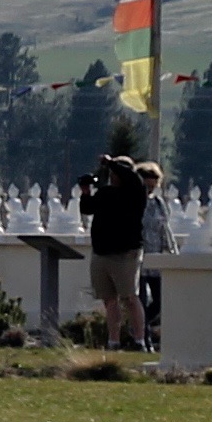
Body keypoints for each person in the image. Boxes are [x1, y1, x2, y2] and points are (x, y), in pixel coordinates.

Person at [73, 148, 162, 351]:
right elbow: (88, 208)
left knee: (131, 297)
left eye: (116, 172)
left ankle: (139, 340)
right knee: (109, 300)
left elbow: (130, 177)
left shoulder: (135, 193)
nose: (113, 176)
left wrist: (111, 162)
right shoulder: (106, 193)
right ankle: (114, 341)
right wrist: (86, 192)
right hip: (102, 252)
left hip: (126, 254)